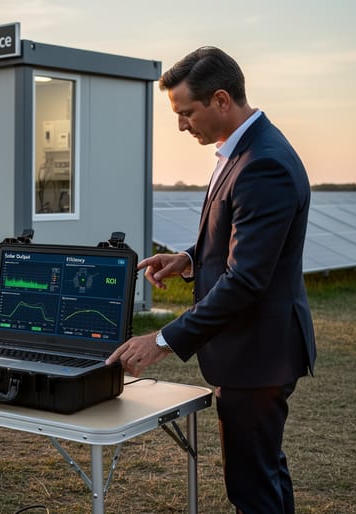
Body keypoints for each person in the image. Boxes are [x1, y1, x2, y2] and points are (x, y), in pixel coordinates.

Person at [106, 47, 316, 513]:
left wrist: (161, 340)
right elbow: (244, 241)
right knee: (263, 469)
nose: (182, 125)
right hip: (254, 350)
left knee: (252, 485)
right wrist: (188, 257)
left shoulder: (264, 163)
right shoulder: (244, 149)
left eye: (186, 113)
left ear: (221, 99)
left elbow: (246, 280)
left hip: (258, 353)